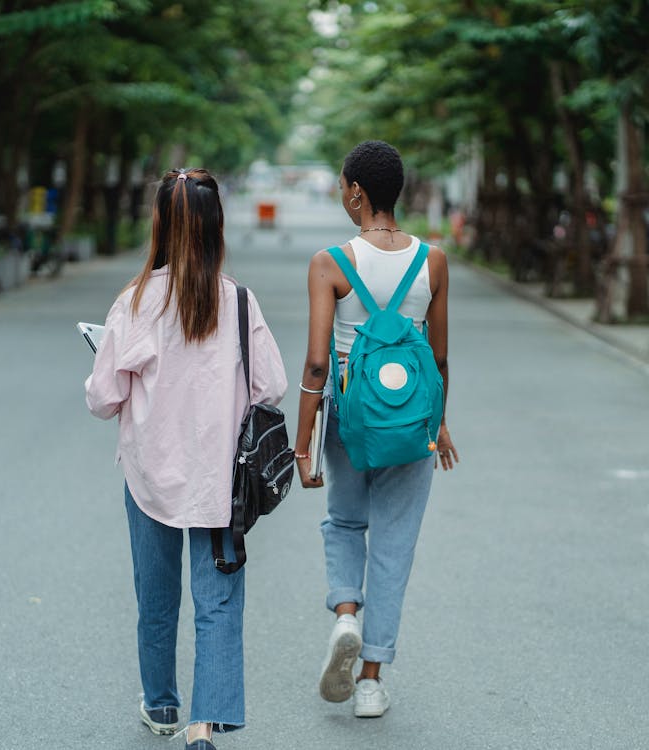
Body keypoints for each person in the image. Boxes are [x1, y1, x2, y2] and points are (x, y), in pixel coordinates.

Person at [85, 168, 287, 750]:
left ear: (160, 225)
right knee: (216, 598)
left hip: (150, 475)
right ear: (215, 227)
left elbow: (104, 400)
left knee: (156, 598)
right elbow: (268, 386)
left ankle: (163, 706)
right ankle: (204, 724)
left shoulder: (136, 302)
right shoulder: (239, 302)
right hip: (220, 482)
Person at [293, 141, 458, 719]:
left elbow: (318, 364)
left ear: (358, 192)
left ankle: (346, 616)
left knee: (344, 520)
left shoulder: (331, 263)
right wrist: (438, 426)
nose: (343, 195)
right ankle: (370, 681)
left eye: (343, 186)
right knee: (395, 544)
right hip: (412, 421)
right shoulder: (432, 260)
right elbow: (437, 360)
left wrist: (303, 442)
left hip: (350, 416)